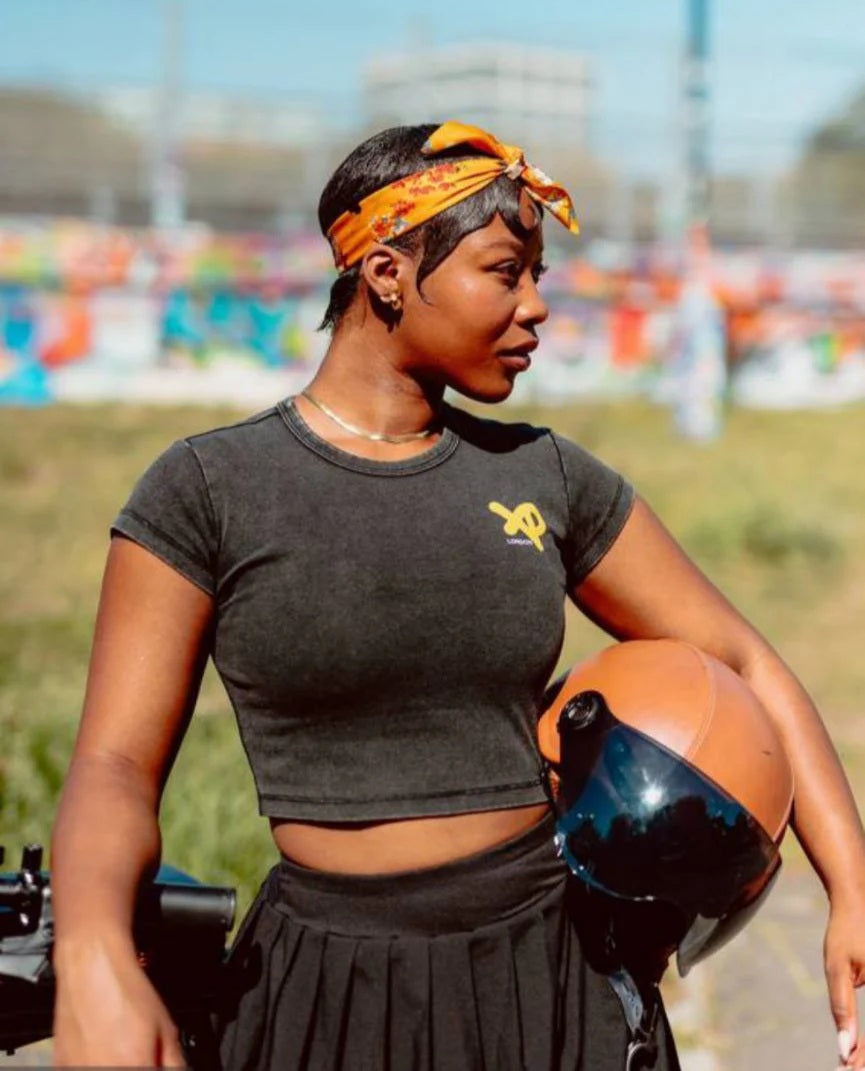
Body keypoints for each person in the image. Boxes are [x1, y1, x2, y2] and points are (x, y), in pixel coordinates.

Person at [49, 121, 865, 1071]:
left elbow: (743, 662)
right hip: (323, 985)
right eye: (503, 270)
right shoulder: (209, 490)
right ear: (388, 272)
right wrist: (93, 952)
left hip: (549, 974)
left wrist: (850, 890)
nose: (535, 307)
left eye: (538, 276)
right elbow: (112, 765)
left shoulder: (544, 476)